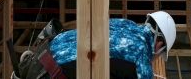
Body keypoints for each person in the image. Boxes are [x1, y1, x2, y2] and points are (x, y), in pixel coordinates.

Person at [16, 12, 176, 79]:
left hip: (40, 55)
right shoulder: (142, 59)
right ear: (159, 44)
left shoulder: (125, 23)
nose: (156, 59)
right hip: (48, 74)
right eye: (160, 55)